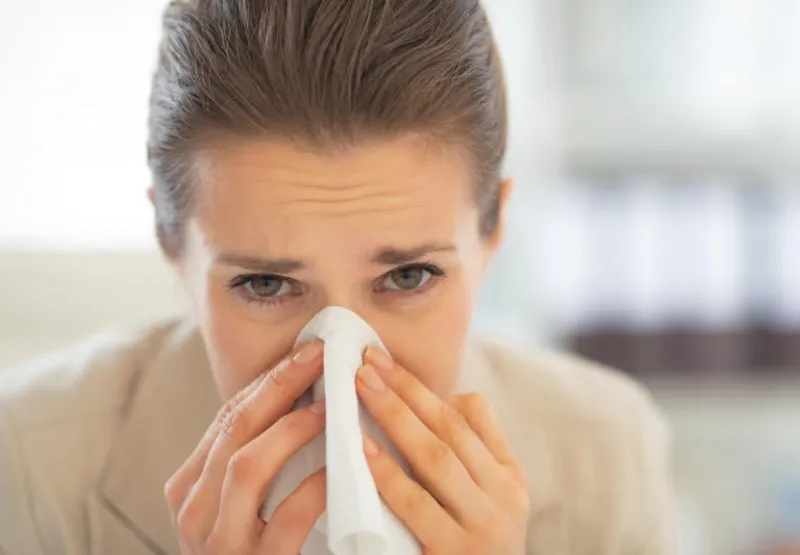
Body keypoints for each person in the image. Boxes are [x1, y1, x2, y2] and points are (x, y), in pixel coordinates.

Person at [0, 1, 674, 554]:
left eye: (409, 275)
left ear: (493, 234)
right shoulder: (30, 461)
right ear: (171, 245)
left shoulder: (607, 452)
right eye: (265, 284)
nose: (341, 367)